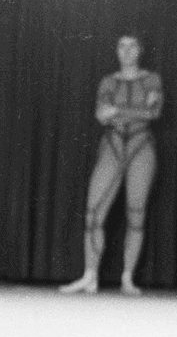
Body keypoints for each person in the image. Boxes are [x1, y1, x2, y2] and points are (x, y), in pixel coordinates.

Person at [61, 34, 163, 296]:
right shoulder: (108, 81)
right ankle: (90, 276)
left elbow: (153, 113)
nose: (126, 51)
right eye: (121, 46)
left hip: (142, 146)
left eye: (131, 46)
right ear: (117, 51)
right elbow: (101, 114)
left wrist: (117, 111)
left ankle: (127, 278)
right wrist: (133, 110)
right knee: (93, 211)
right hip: (113, 145)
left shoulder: (152, 79)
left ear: (140, 50)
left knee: (136, 213)